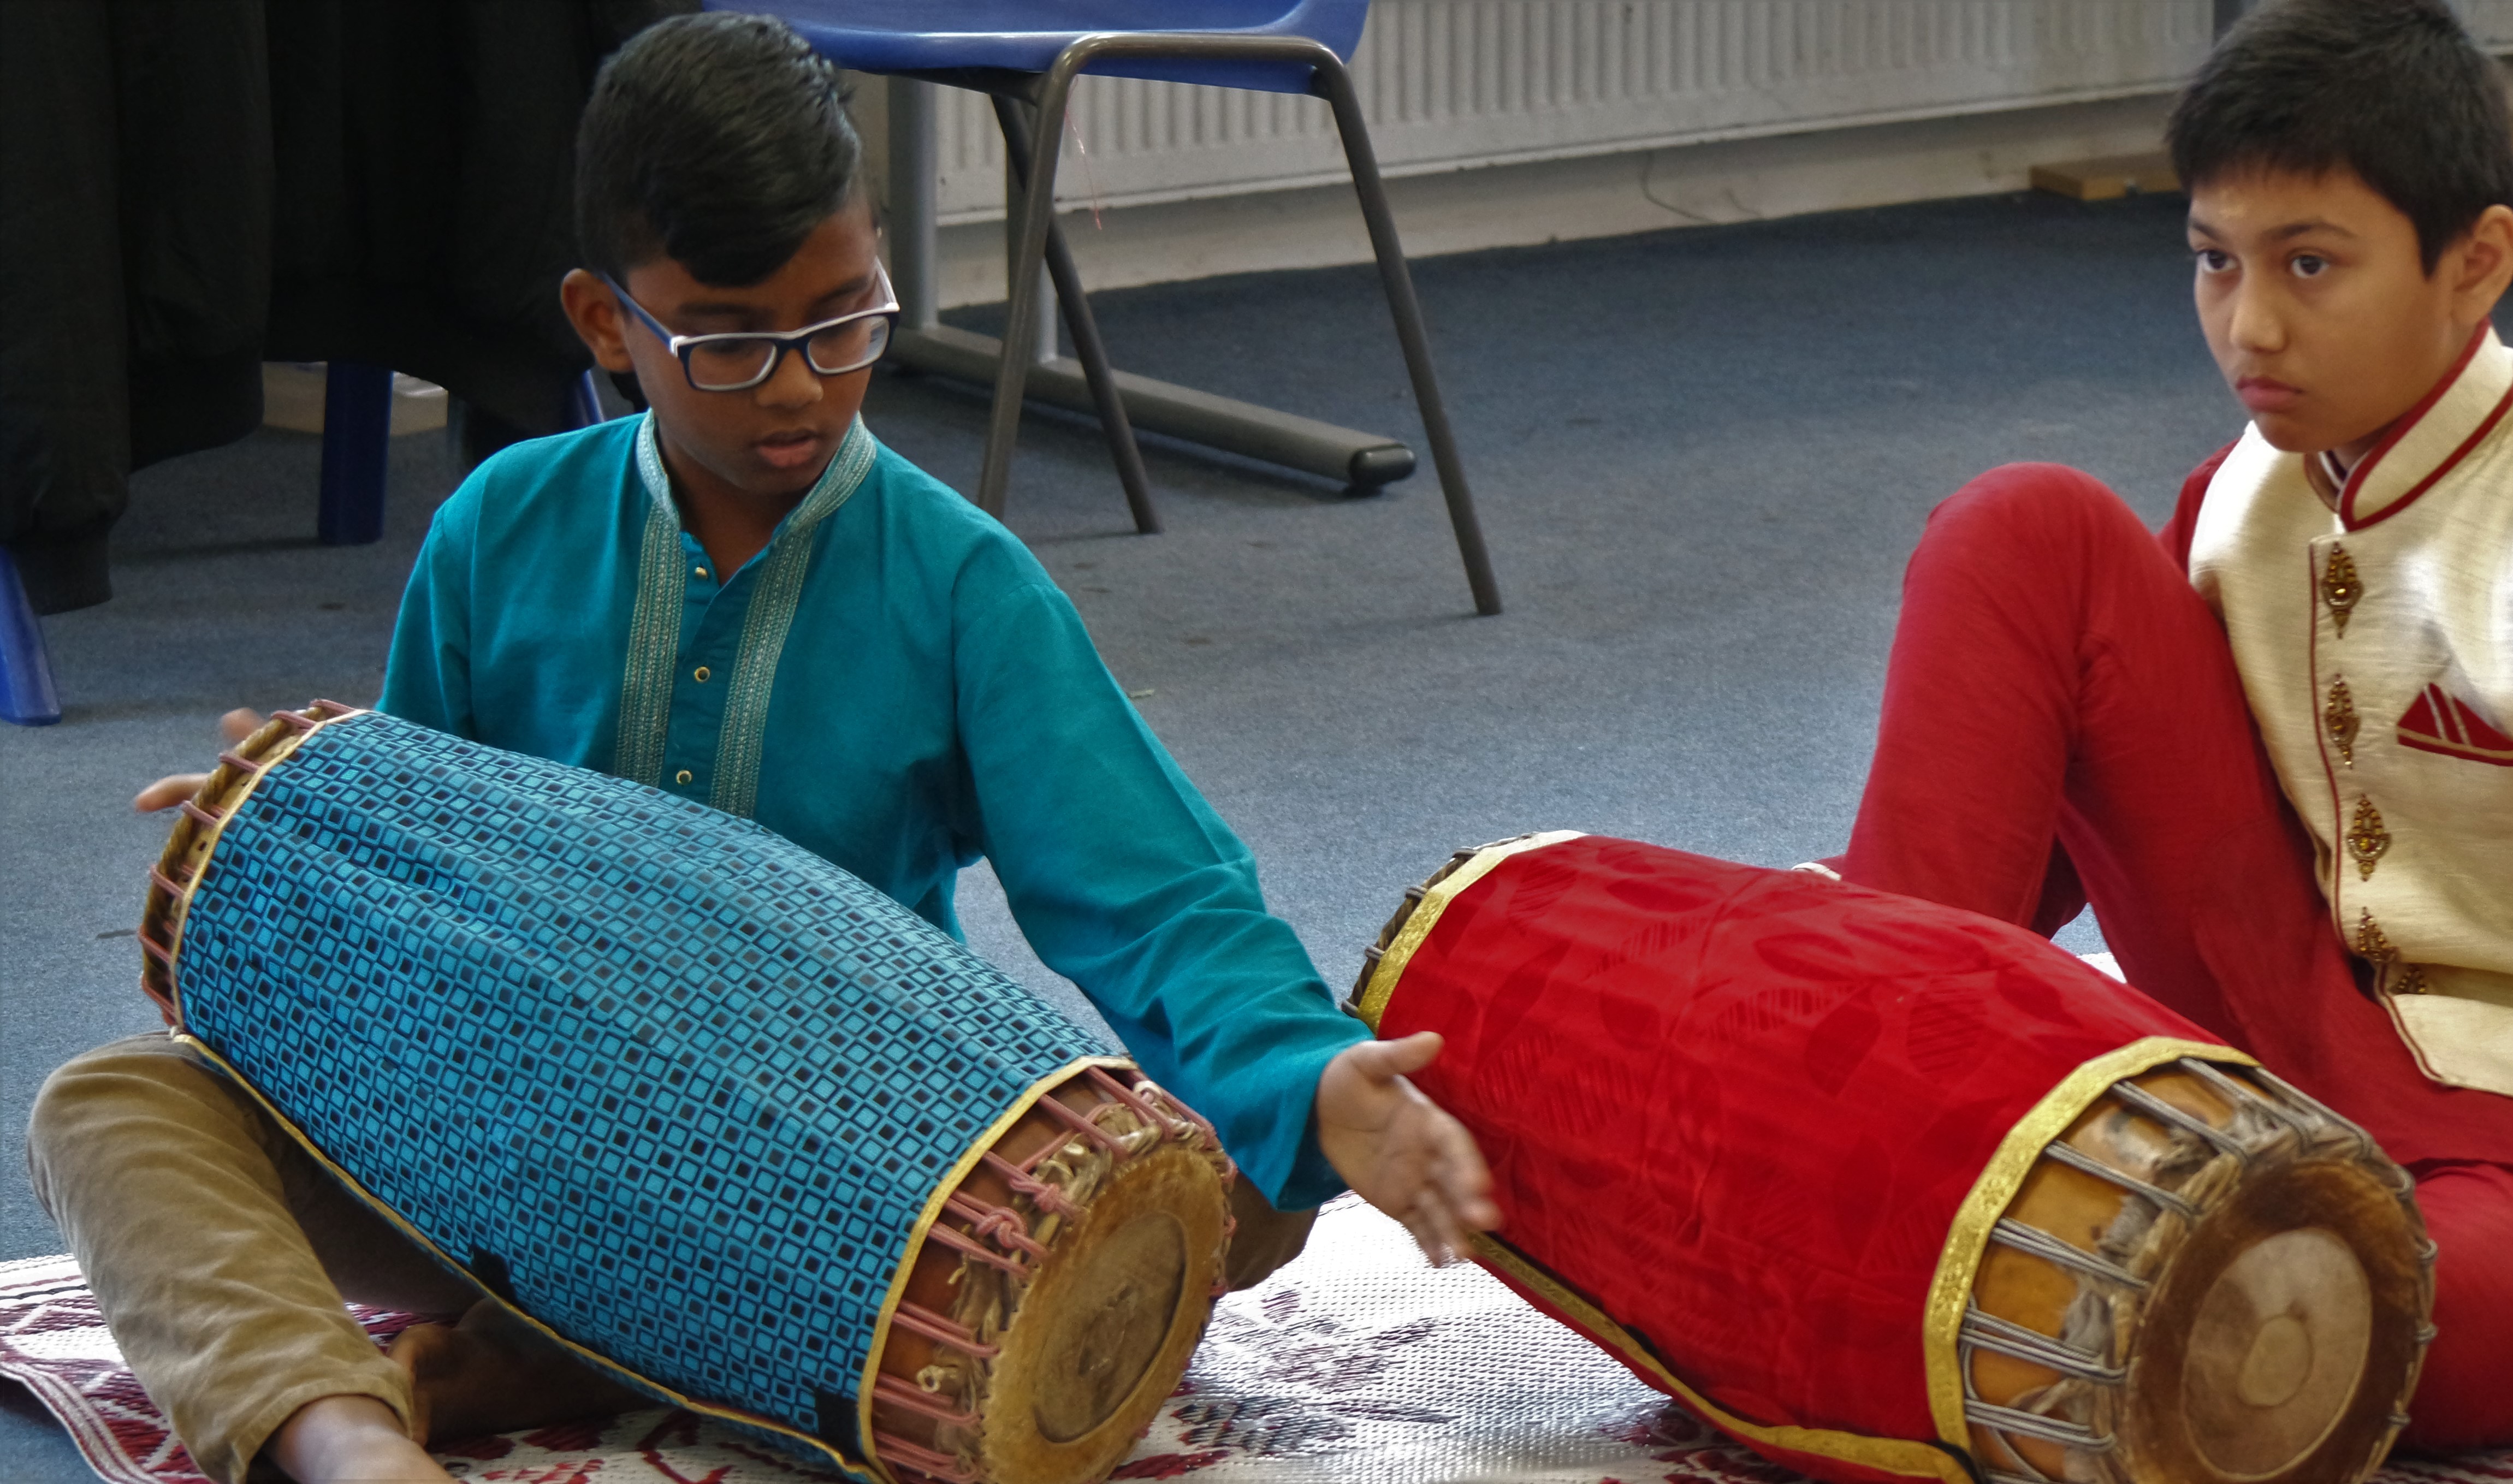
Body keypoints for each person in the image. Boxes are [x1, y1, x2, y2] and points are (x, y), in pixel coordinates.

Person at [23, 16, 1496, 1484]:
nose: (799, 387)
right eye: (731, 340)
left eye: (844, 320)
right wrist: (290, 819)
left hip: (846, 1192)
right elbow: (417, 896)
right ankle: (347, 1440)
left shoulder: (960, 583)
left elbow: (1155, 893)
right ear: (607, 324)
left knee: (1223, 1170)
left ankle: (529, 1356)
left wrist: (1309, 1076)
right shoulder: (498, 530)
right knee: (112, 1106)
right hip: (505, 1151)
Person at [1819, 0, 2513, 1446]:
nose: (2251, 324)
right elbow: (2083, 766)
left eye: (2311, 265)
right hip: (2288, 1026)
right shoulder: (2246, 489)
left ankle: (2092, 1236)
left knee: (2431, 1329)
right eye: (2215, 262)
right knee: (2025, 525)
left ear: (2476, 265)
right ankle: (1844, 1092)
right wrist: (1904, 946)